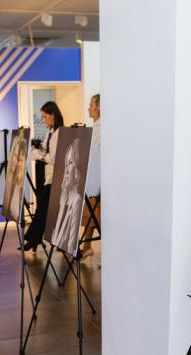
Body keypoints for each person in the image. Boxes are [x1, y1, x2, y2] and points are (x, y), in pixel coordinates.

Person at [23, 101, 64, 251]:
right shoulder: (50, 132)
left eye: (45, 116)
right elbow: (47, 152)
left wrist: (39, 155)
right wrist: (38, 151)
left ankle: (33, 240)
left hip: (55, 177)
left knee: (43, 210)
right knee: (44, 209)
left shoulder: (60, 133)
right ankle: (34, 240)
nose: (43, 120)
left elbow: (54, 157)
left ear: (53, 115)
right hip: (47, 175)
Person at [51, 138, 84, 252]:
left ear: (77, 168)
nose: (66, 170)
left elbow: (70, 247)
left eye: (70, 163)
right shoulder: (63, 201)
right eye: (66, 164)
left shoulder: (76, 202)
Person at [80, 94, 100, 258]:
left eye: (91, 105)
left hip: (97, 180)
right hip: (93, 178)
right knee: (90, 212)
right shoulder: (96, 127)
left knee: (94, 213)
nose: (89, 108)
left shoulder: (101, 128)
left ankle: (87, 246)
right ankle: (86, 246)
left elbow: (94, 153)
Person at [3, 128, 28, 223]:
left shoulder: (19, 184)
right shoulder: (9, 180)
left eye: (20, 159)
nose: (17, 162)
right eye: (14, 156)